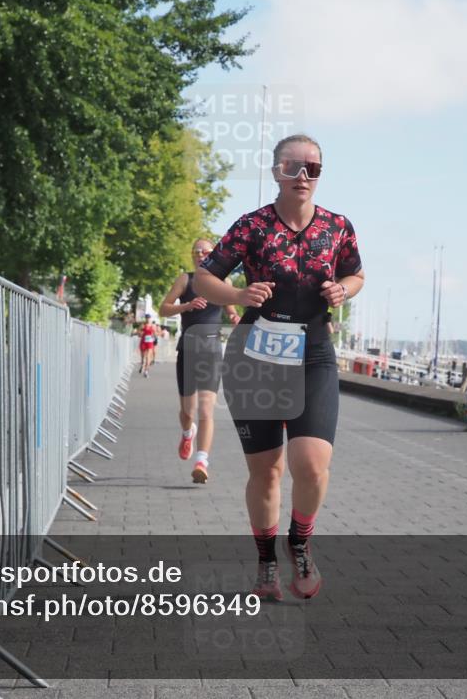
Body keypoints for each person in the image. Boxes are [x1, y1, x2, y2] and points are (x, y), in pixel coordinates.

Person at [194, 134, 364, 601]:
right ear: (275, 172)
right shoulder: (251, 227)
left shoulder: (337, 226)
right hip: (255, 356)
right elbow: (205, 277)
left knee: (311, 464)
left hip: (313, 354)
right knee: (267, 470)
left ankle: (300, 542)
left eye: (315, 168)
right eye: (295, 167)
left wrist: (343, 291)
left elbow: (356, 272)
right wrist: (237, 295)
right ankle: (267, 561)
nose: (305, 176)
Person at [158, 239, 241, 484]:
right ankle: (187, 432)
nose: (201, 254)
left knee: (206, 409)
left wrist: (236, 317)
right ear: (193, 256)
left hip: (212, 350)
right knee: (187, 411)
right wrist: (187, 305)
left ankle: (202, 461)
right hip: (188, 349)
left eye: (205, 251)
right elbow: (164, 309)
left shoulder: (222, 281)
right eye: (196, 251)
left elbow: (231, 308)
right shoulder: (186, 279)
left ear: (213, 255)